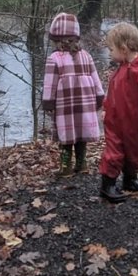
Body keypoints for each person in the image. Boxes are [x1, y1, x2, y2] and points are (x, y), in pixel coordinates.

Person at [99, 22, 138, 203]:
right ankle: (108, 184)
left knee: (134, 151)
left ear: (124, 49)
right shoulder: (121, 68)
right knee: (114, 151)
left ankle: (130, 179)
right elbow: (112, 91)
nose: (109, 53)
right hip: (116, 121)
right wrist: (106, 108)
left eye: (111, 49)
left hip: (136, 123)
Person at [41, 12, 105, 176]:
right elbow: (95, 78)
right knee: (82, 133)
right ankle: (81, 164)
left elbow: (50, 83)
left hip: (65, 105)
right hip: (85, 103)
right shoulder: (86, 56)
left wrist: (48, 102)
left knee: (66, 134)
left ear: (57, 39)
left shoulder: (54, 58)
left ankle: (65, 167)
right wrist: (99, 96)